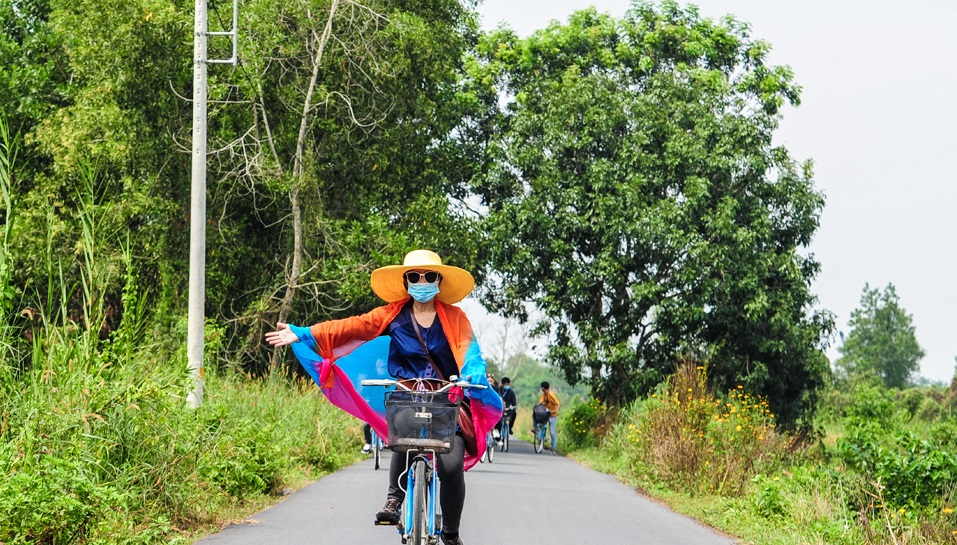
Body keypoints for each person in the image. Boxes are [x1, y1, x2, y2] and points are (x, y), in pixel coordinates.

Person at [265, 249, 502, 545]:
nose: (422, 281)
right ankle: (393, 500)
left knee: (451, 468)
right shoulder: (393, 315)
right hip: (406, 394)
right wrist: (304, 333)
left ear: (439, 281)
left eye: (429, 276)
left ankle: (451, 534)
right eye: (414, 276)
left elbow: (471, 352)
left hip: (445, 398)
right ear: (406, 282)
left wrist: (473, 374)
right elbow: (352, 326)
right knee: (402, 438)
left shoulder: (455, 318)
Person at [539, 381, 560, 453]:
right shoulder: (544, 395)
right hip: (546, 414)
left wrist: (555, 410)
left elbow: (558, 403)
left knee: (552, 432)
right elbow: (540, 402)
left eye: (542, 388)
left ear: (543, 388)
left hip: (552, 415)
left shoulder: (551, 394)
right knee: (541, 425)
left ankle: (553, 447)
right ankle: (542, 439)